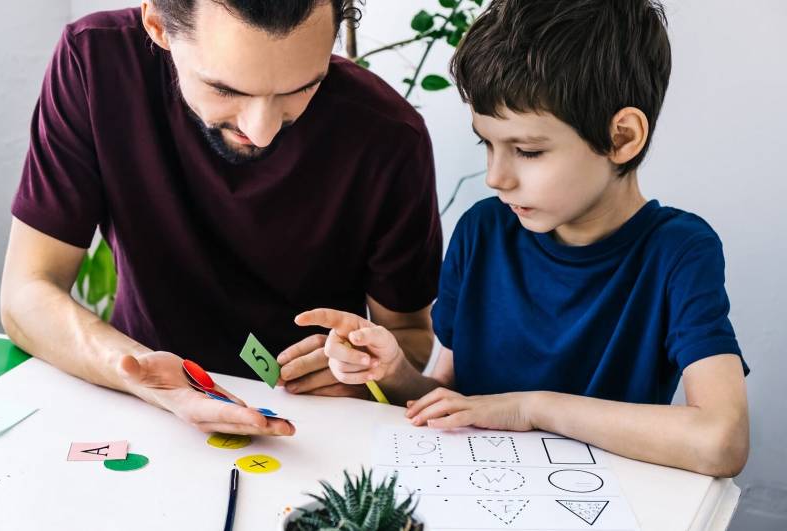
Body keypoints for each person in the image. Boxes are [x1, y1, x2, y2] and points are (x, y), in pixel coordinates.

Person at [298, 0, 750, 476]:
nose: (496, 177)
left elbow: (721, 441)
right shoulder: (482, 231)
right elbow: (450, 399)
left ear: (622, 138)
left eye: (528, 151)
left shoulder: (679, 252)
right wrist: (392, 374)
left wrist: (531, 409)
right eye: (487, 144)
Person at [0, 0, 442, 437]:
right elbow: (27, 293)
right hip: (137, 406)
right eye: (227, 90)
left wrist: (368, 369)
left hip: (313, 426)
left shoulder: (388, 136)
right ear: (157, 24)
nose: (263, 129)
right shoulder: (95, 62)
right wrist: (143, 376)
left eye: (302, 88)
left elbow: (408, 333)